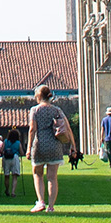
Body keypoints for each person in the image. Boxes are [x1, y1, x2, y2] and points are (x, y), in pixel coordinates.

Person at [27, 84, 74, 212]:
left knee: (38, 174)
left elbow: (32, 129)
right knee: (52, 177)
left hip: (40, 145)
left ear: (38, 96)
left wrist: (28, 148)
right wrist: (73, 146)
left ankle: (41, 201)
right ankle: (51, 206)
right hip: (55, 146)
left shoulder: (35, 110)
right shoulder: (57, 110)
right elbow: (67, 127)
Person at [1, 126, 23, 198]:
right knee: (14, 176)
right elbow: (22, 153)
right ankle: (13, 192)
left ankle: (7, 190)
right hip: (15, 158)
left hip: (6, 158)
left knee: (6, 175)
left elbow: (1, 150)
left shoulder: (5, 141)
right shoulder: (18, 142)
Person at [100, 105, 111, 169]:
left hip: (107, 138)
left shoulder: (104, 120)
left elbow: (102, 129)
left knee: (109, 151)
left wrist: (101, 137)